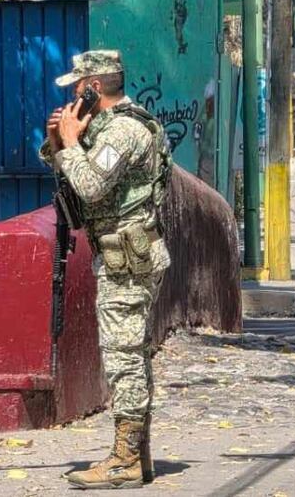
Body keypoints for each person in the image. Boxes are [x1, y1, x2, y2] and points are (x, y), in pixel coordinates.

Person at [40, 49, 172, 490]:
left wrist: (73, 144)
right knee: (129, 354)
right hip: (119, 254)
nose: (75, 93)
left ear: (94, 87)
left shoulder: (127, 131)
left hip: (127, 258)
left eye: (79, 86)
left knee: (123, 358)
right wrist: (60, 140)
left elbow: (91, 186)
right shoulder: (106, 128)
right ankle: (137, 455)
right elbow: (67, 171)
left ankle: (126, 460)